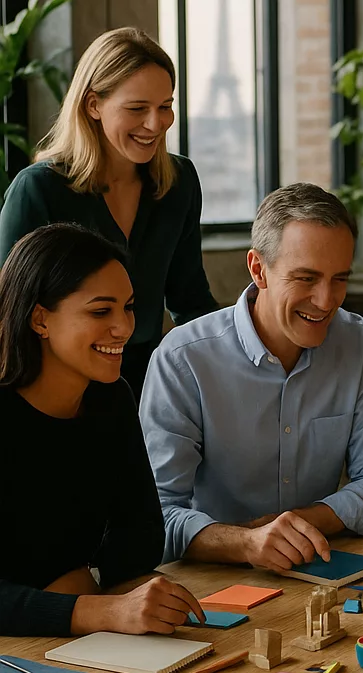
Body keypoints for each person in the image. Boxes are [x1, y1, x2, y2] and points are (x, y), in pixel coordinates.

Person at [141, 183, 363, 566]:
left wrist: (299, 524)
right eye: (306, 278)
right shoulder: (183, 360)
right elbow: (153, 517)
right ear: (258, 270)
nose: (326, 301)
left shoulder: (358, 343)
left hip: (316, 564)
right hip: (210, 578)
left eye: (339, 278)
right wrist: (245, 542)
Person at [0, 224, 205, 637]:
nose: (124, 327)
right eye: (100, 311)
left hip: (64, 630)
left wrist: (87, 578)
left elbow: (144, 537)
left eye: (128, 307)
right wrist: (92, 609)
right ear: (40, 319)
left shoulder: (110, 398)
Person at [0, 27, 217, 397]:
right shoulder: (37, 190)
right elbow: (10, 317)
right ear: (93, 105)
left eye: (165, 106)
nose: (156, 124)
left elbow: (191, 302)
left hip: (150, 387)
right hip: (57, 392)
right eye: (137, 109)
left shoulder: (179, 182)